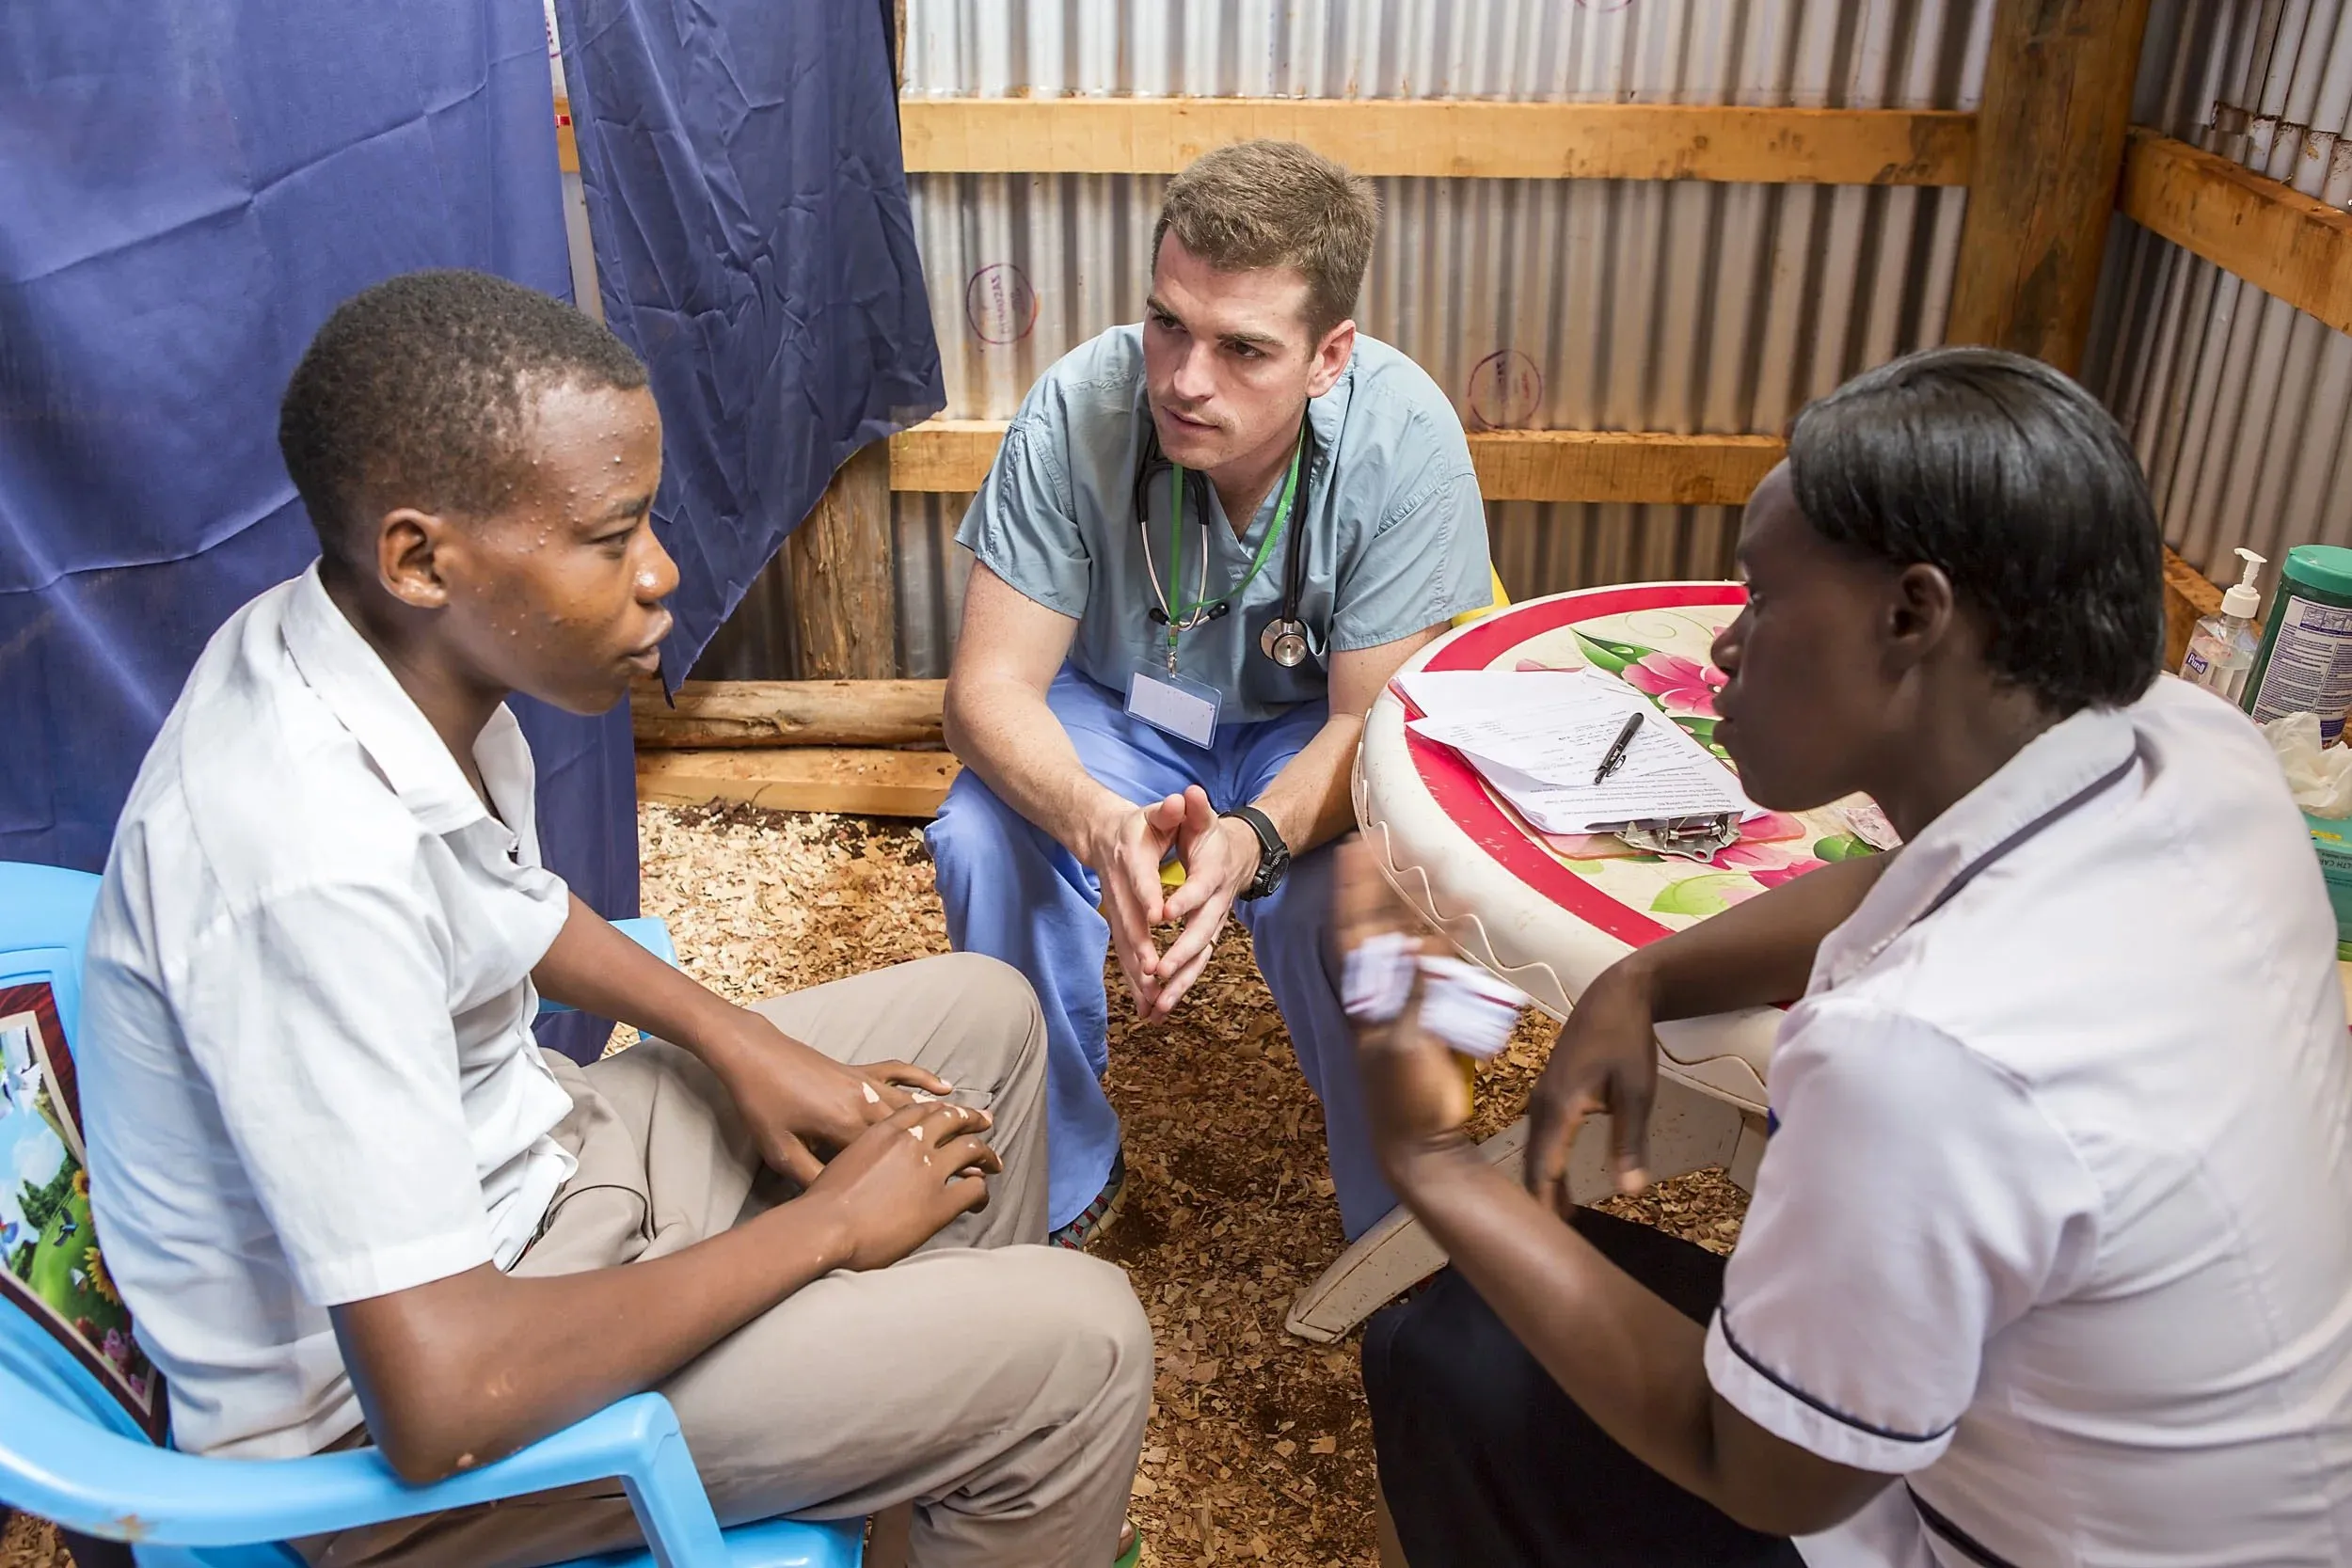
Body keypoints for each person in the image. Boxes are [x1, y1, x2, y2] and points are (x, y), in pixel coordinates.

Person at [77, 270, 1152, 1568]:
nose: (662, 574)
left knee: (982, 1023)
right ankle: (993, 1423)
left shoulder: (374, 657)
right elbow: (443, 1399)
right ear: (422, 555)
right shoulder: (302, 861)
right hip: (400, 1441)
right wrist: (828, 1231)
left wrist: (742, 1042)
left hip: (531, 1182)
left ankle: (919, 1476)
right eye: (610, 534)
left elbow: (507, 910)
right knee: (1082, 1345)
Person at [1338, 347, 2352, 1566]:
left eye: (1763, 595)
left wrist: (1436, 1162)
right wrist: (1646, 975)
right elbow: (1901, 872)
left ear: (1913, 614)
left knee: (1447, 1344)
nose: (1724, 645)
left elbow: (1758, 1471)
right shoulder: (2196, 749)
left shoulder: (1925, 1049)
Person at [930, 139, 1495, 1246]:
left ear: (1329, 354)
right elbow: (986, 690)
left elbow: (1367, 726)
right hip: (1126, 720)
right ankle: (1063, 1170)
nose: (1187, 379)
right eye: (1168, 325)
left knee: (1352, 897)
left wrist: (1251, 842)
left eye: (1243, 348)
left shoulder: (1403, 437)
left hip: (1309, 730)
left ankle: (1399, 1231)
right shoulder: (1077, 409)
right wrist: (1095, 822)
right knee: (980, 834)